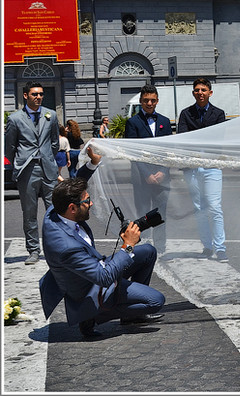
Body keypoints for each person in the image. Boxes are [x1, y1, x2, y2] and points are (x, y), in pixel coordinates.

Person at [38, 151, 165, 339]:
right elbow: (103, 277)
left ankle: (131, 316)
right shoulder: (65, 247)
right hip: (90, 288)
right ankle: (93, 316)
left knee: (147, 251)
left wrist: (92, 163)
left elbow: (70, 187)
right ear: (73, 208)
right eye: (87, 201)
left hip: (96, 269)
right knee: (156, 300)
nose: (91, 203)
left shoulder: (57, 210)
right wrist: (127, 246)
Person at [5, 81, 60, 265]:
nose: (38, 97)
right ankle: (34, 250)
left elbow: (54, 142)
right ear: (26, 96)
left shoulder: (50, 115)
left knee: (55, 211)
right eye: (35, 94)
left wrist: (48, 159)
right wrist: (19, 163)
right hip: (27, 170)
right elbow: (9, 147)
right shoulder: (15, 119)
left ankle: (56, 249)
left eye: (41, 94)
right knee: (29, 213)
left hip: (47, 168)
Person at [177, 78, 229, 262]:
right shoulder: (185, 114)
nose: (200, 92)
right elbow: (183, 137)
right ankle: (207, 246)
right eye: (197, 90)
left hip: (212, 166)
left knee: (215, 207)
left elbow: (217, 138)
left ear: (210, 93)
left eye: (203, 89)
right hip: (191, 167)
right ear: (193, 93)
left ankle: (220, 248)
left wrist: (198, 144)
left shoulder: (219, 114)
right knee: (199, 208)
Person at [124, 85, 172, 254]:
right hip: (141, 177)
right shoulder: (132, 123)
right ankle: (143, 247)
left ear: (157, 101)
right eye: (146, 101)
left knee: (160, 214)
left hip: (162, 177)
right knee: (143, 214)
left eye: (152, 100)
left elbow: (168, 151)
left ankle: (160, 248)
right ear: (140, 102)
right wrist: (147, 174)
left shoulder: (165, 122)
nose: (149, 103)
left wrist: (162, 171)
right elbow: (133, 153)